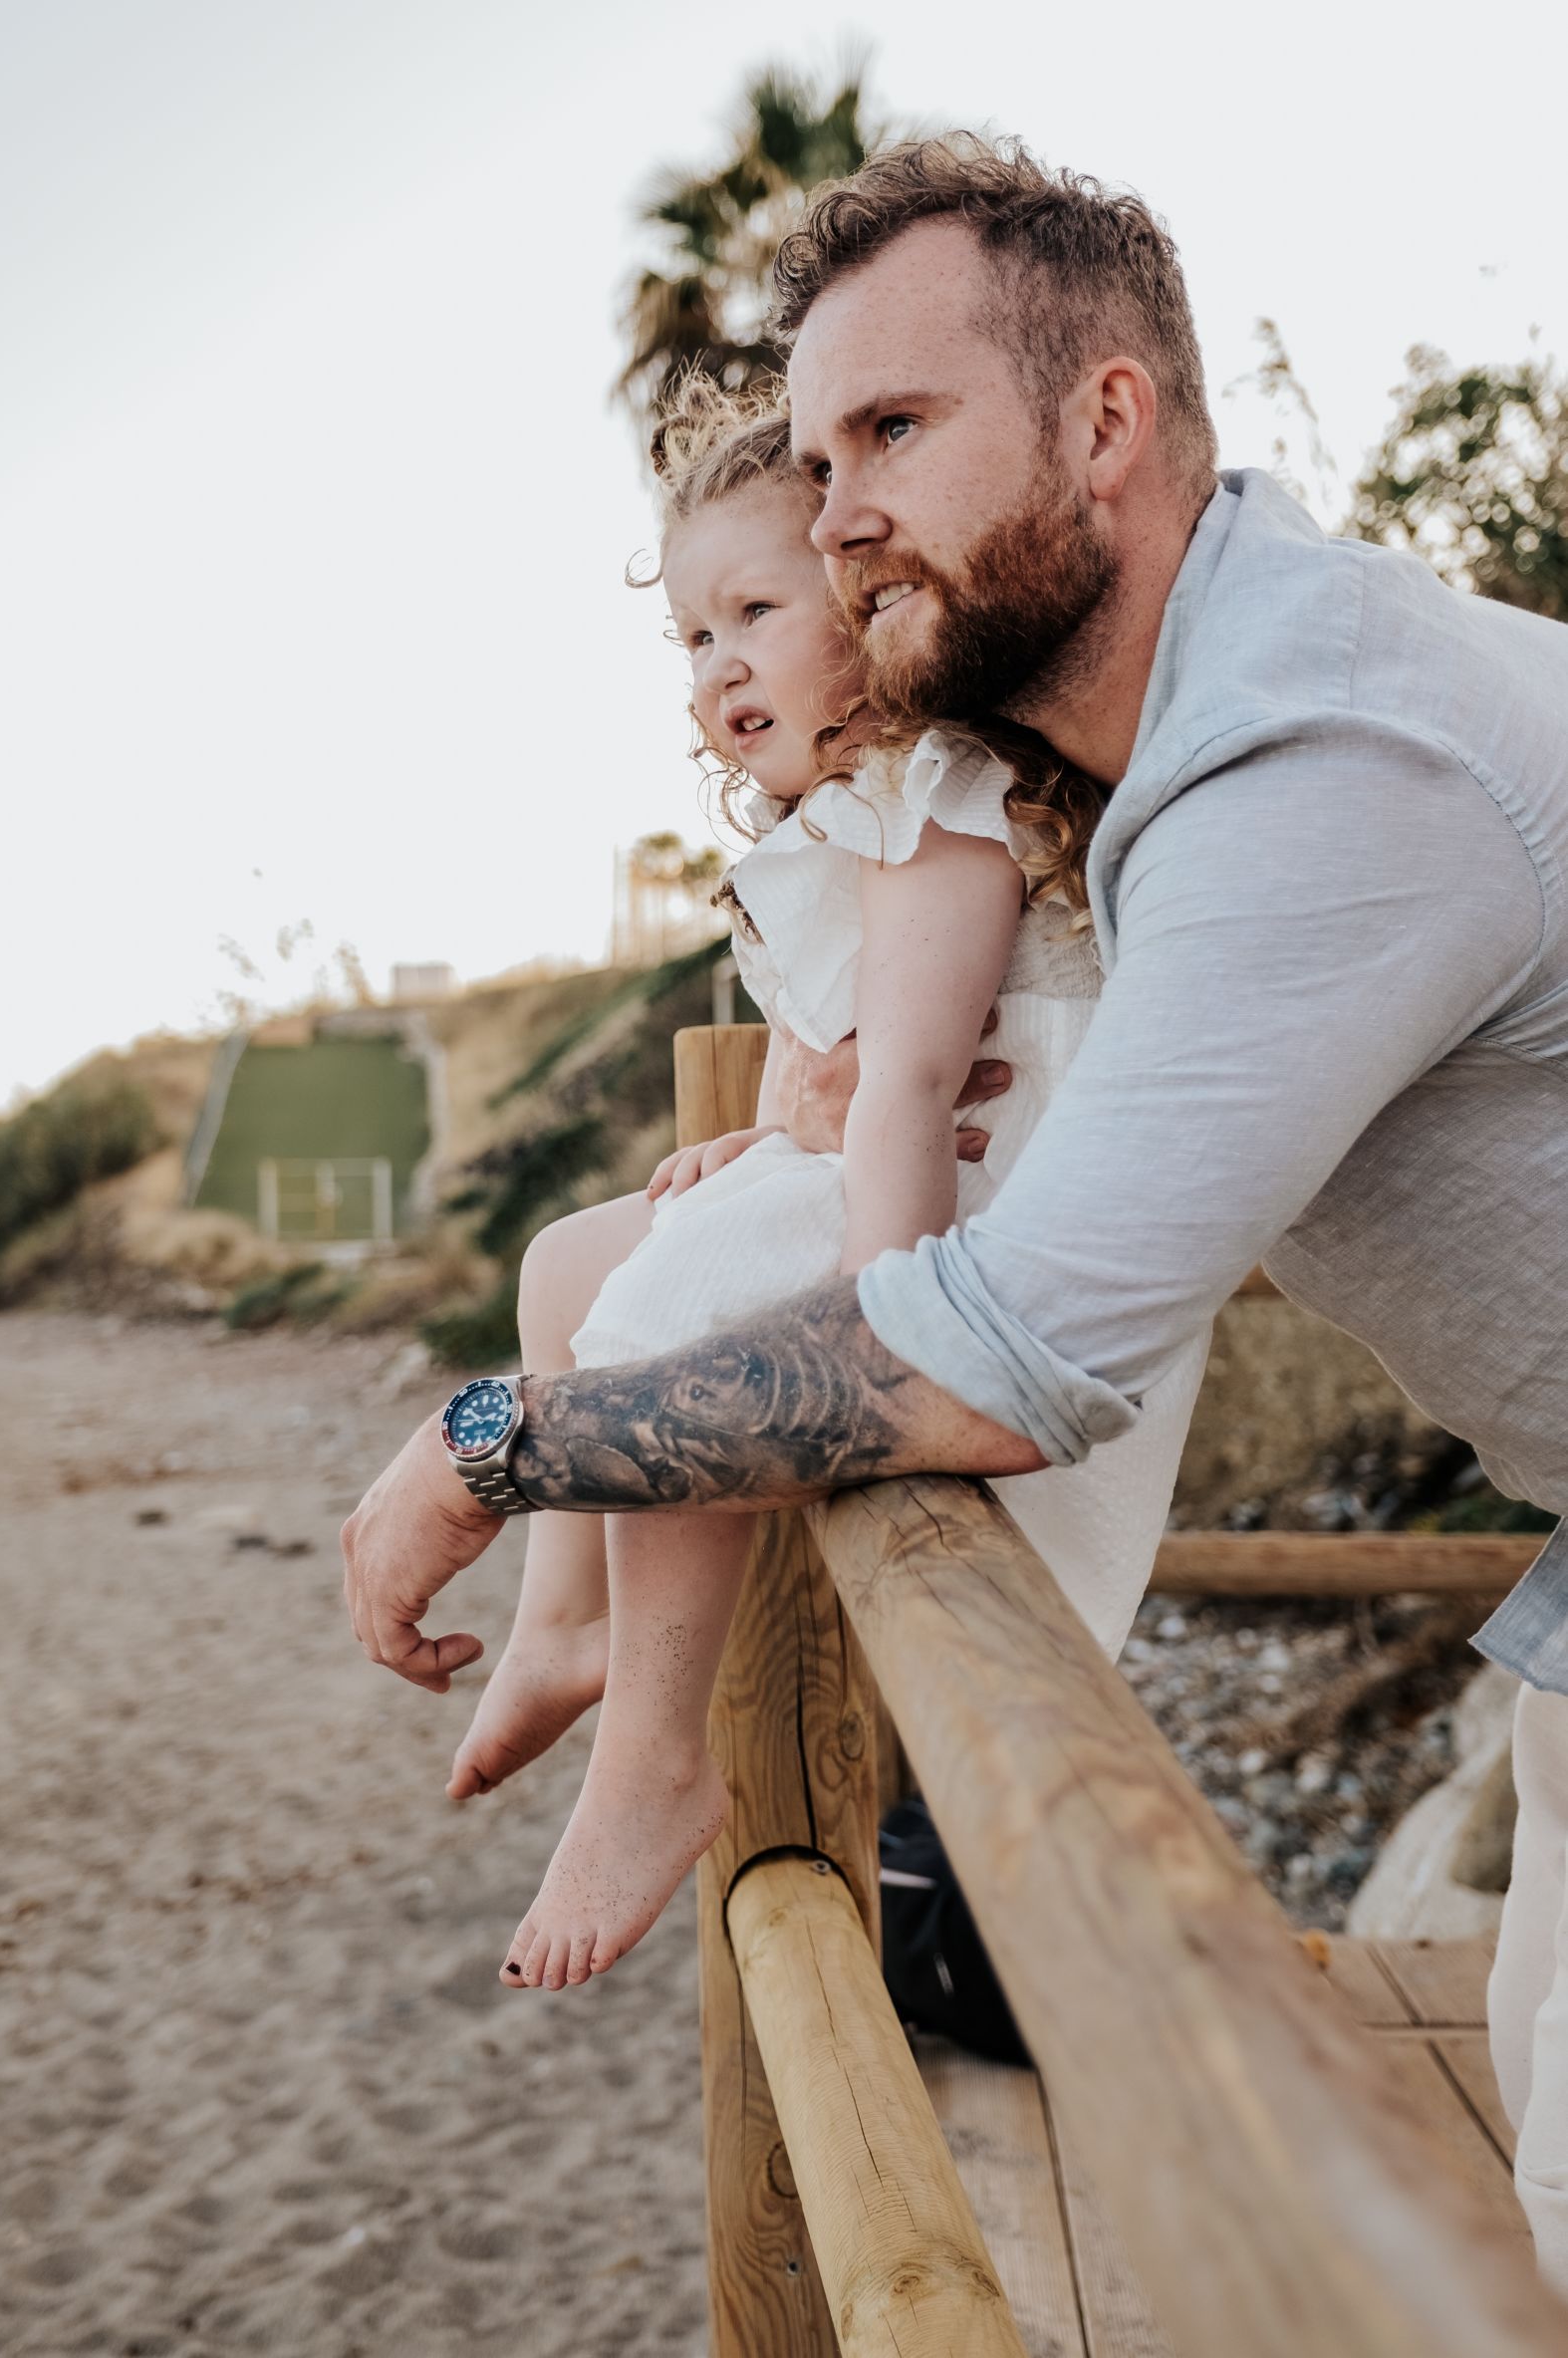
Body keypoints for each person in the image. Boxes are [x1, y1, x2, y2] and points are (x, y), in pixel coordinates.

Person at [342, 139, 1568, 2290]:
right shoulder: (1169, 750)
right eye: (814, 459)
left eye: (893, 431)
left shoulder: (1311, 757)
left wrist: (491, 1446)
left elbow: (973, 1356)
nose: (830, 517)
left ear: (1106, 420)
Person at [452, 375, 1205, 1991]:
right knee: (570, 1269)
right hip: (913, 1177)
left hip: (988, 1225)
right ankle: (563, 1625)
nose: (717, 666)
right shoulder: (843, 814)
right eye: (693, 640)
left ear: (863, 606)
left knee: (662, 1308)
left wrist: (884, 1333)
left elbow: (926, 1083)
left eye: (751, 613)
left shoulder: (939, 797)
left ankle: (654, 1756)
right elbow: (850, 1080)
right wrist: (766, 1142)